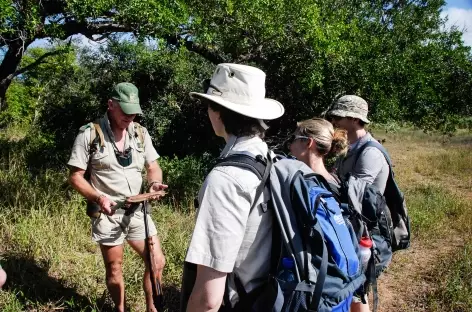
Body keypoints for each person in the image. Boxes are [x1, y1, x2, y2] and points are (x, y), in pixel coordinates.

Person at [182, 63, 284, 311]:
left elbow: (208, 300)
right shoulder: (271, 159)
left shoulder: (226, 179)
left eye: (209, 105)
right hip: (265, 297)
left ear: (218, 111)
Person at [68, 82, 167, 312]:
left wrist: (153, 183)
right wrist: (98, 197)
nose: (130, 116)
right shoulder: (90, 134)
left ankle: (152, 308)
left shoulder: (140, 133)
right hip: (108, 213)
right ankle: (120, 308)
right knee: (115, 268)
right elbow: (76, 177)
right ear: (111, 105)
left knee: (156, 262)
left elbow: (153, 165)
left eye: (134, 111)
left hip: (138, 211)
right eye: (125, 110)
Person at [326, 94, 390, 312]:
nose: (334, 121)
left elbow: (355, 196)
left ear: (354, 119)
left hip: (367, 233)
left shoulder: (370, 152)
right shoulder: (350, 147)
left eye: (339, 116)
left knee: (357, 290)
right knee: (354, 289)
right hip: (354, 228)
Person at [288, 117, 348, 188]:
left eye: (293, 139)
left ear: (308, 143)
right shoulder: (336, 182)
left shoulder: (304, 185)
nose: (290, 145)